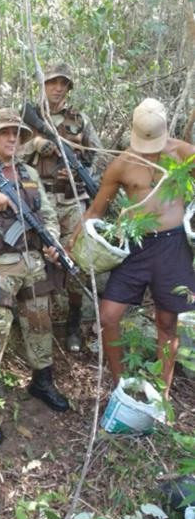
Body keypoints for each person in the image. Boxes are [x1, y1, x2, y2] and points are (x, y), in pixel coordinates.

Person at [70, 98, 195, 398]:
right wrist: (73, 240)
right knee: (109, 317)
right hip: (135, 247)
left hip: (174, 245)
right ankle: (120, 387)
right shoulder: (122, 164)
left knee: (167, 321)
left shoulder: (182, 152)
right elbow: (97, 210)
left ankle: (163, 394)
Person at [0, 108, 70, 445]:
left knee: (40, 323)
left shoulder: (27, 171)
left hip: (33, 260)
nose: (12, 138)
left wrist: (53, 242)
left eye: (16, 133)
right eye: (4, 133)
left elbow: (47, 213)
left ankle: (42, 380)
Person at [21, 63, 104, 352]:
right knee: (32, 259)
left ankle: (72, 325)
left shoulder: (80, 119)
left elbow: (98, 154)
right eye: (52, 82)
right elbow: (6, 153)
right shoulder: (25, 118)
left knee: (78, 262)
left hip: (71, 202)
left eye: (63, 84)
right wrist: (35, 144)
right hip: (35, 201)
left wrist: (81, 160)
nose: (57, 88)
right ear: (43, 85)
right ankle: (33, 326)